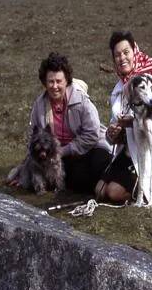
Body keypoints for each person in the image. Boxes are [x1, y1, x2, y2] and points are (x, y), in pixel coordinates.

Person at [96, 31, 152, 205]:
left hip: (150, 152)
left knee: (112, 193)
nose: (122, 58)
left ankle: (143, 192)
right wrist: (113, 135)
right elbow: (115, 130)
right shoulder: (118, 90)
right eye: (117, 55)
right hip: (128, 152)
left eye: (126, 52)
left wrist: (134, 123)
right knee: (99, 190)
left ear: (135, 51)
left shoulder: (150, 82)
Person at [12, 52, 111, 194]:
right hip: (62, 158)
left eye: (59, 81)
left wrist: (64, 150)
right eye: (50, 81)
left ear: (67, 81)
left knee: (100, 165)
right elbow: (34, 140)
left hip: (91, 148)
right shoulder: (39, 105)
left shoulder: (82, 100)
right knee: (76, 180)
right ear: (44, 83)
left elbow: (92, 134)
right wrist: (23, 171)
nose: (54, 86)